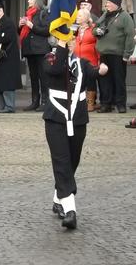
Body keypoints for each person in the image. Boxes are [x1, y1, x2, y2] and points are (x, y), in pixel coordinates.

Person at [43, 37, 108, 229]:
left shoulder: (81, 63)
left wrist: (101, 71)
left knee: (72, 160)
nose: (69, 44)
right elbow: (54, 70)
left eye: (71, 41)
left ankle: (58, 197)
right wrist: (61, 48)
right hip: (55, 119)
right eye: (64, 41)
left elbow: (92, 73)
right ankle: (70, 210)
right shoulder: (50, 59)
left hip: (78, 119)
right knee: (61, 160)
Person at [93, 0, 135, 113]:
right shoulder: (105, 15)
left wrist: (127, 54)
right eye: (107, 3)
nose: (107, 5)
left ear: (116, 4)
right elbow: (94, 28)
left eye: (109, 3)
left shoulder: (125, 17)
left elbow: (130, 36)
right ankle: (106, 104)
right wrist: (97, 31)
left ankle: (120, 104)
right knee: (105, 80)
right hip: (104, 54)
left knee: (119, 80)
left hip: (118, 54)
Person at [19, 0, 51, 112]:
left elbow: (47, 31)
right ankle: (34, 101)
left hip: (40, 50)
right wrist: (21, 25)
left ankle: (44, 101)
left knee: (43, 76)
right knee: (33, 77)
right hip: (29, 50)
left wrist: (31, 25)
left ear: (37, 1)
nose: (28, 1)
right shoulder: (28, 14)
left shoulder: (43, 13)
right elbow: (22, 33)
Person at [74, 8, 100, 111]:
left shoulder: (93, 29)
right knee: (80, 81)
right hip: (78, 59)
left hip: (90, 60)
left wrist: (99, 59)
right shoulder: (75, 29)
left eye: (79, 16)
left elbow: (98, 44)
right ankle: (81, 102)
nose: (77, 17)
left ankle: (90, 103)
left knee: (90, 82)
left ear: (85, 18)